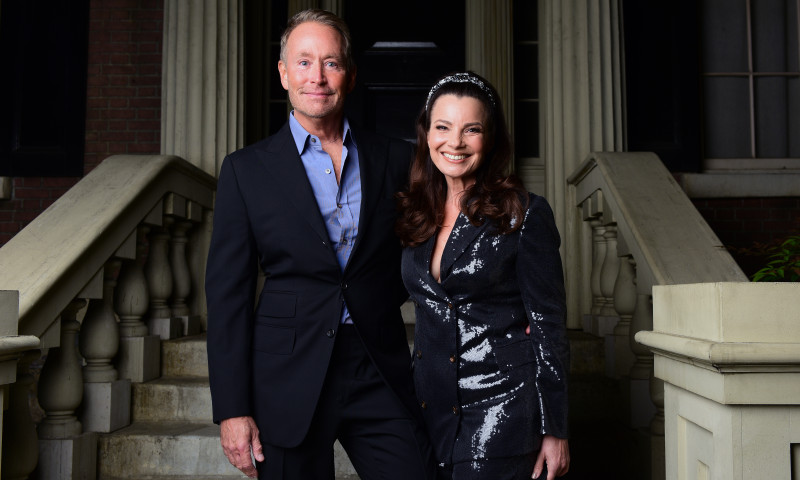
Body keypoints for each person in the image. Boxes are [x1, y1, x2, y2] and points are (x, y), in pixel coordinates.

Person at [205, 9, 435, 479]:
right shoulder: (246, 171)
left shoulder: (394, 158)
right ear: (284, 73)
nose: (318, 77)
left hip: (378, 365)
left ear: (349, 75)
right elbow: (227, 297)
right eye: (304, 62)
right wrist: (232, 410)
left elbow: (432, 249)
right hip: (287, 376)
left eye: (330, 63)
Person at [395, 72, 571, 480]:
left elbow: (549, 328)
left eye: (471, 129)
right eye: (443, 127)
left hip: (503, 407)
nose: (454, 142)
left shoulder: (524, 213)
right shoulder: (415, 213)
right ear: (426, 134)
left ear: (490, 139)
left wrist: (555, 429)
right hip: (432, 408)